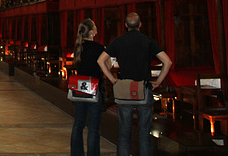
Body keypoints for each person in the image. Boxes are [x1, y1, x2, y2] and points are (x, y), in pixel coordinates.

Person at [97, 12, 172, 156]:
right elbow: (167, 61)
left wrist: (112, 79)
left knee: (124, 133)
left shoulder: (118, 41)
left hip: (125, 88)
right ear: (140, 25)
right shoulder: (148, 41)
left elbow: (100, 60)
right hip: (143, 88)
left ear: (125, 25)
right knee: (144, 132)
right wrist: (158, 81)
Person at [70, 19, 107, 156]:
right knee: (93, 128)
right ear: (92, 32)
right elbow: (105, 66)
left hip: (80, 88)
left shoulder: (78, 46)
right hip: (94, 88)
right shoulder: (99, 48)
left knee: (78, 123)